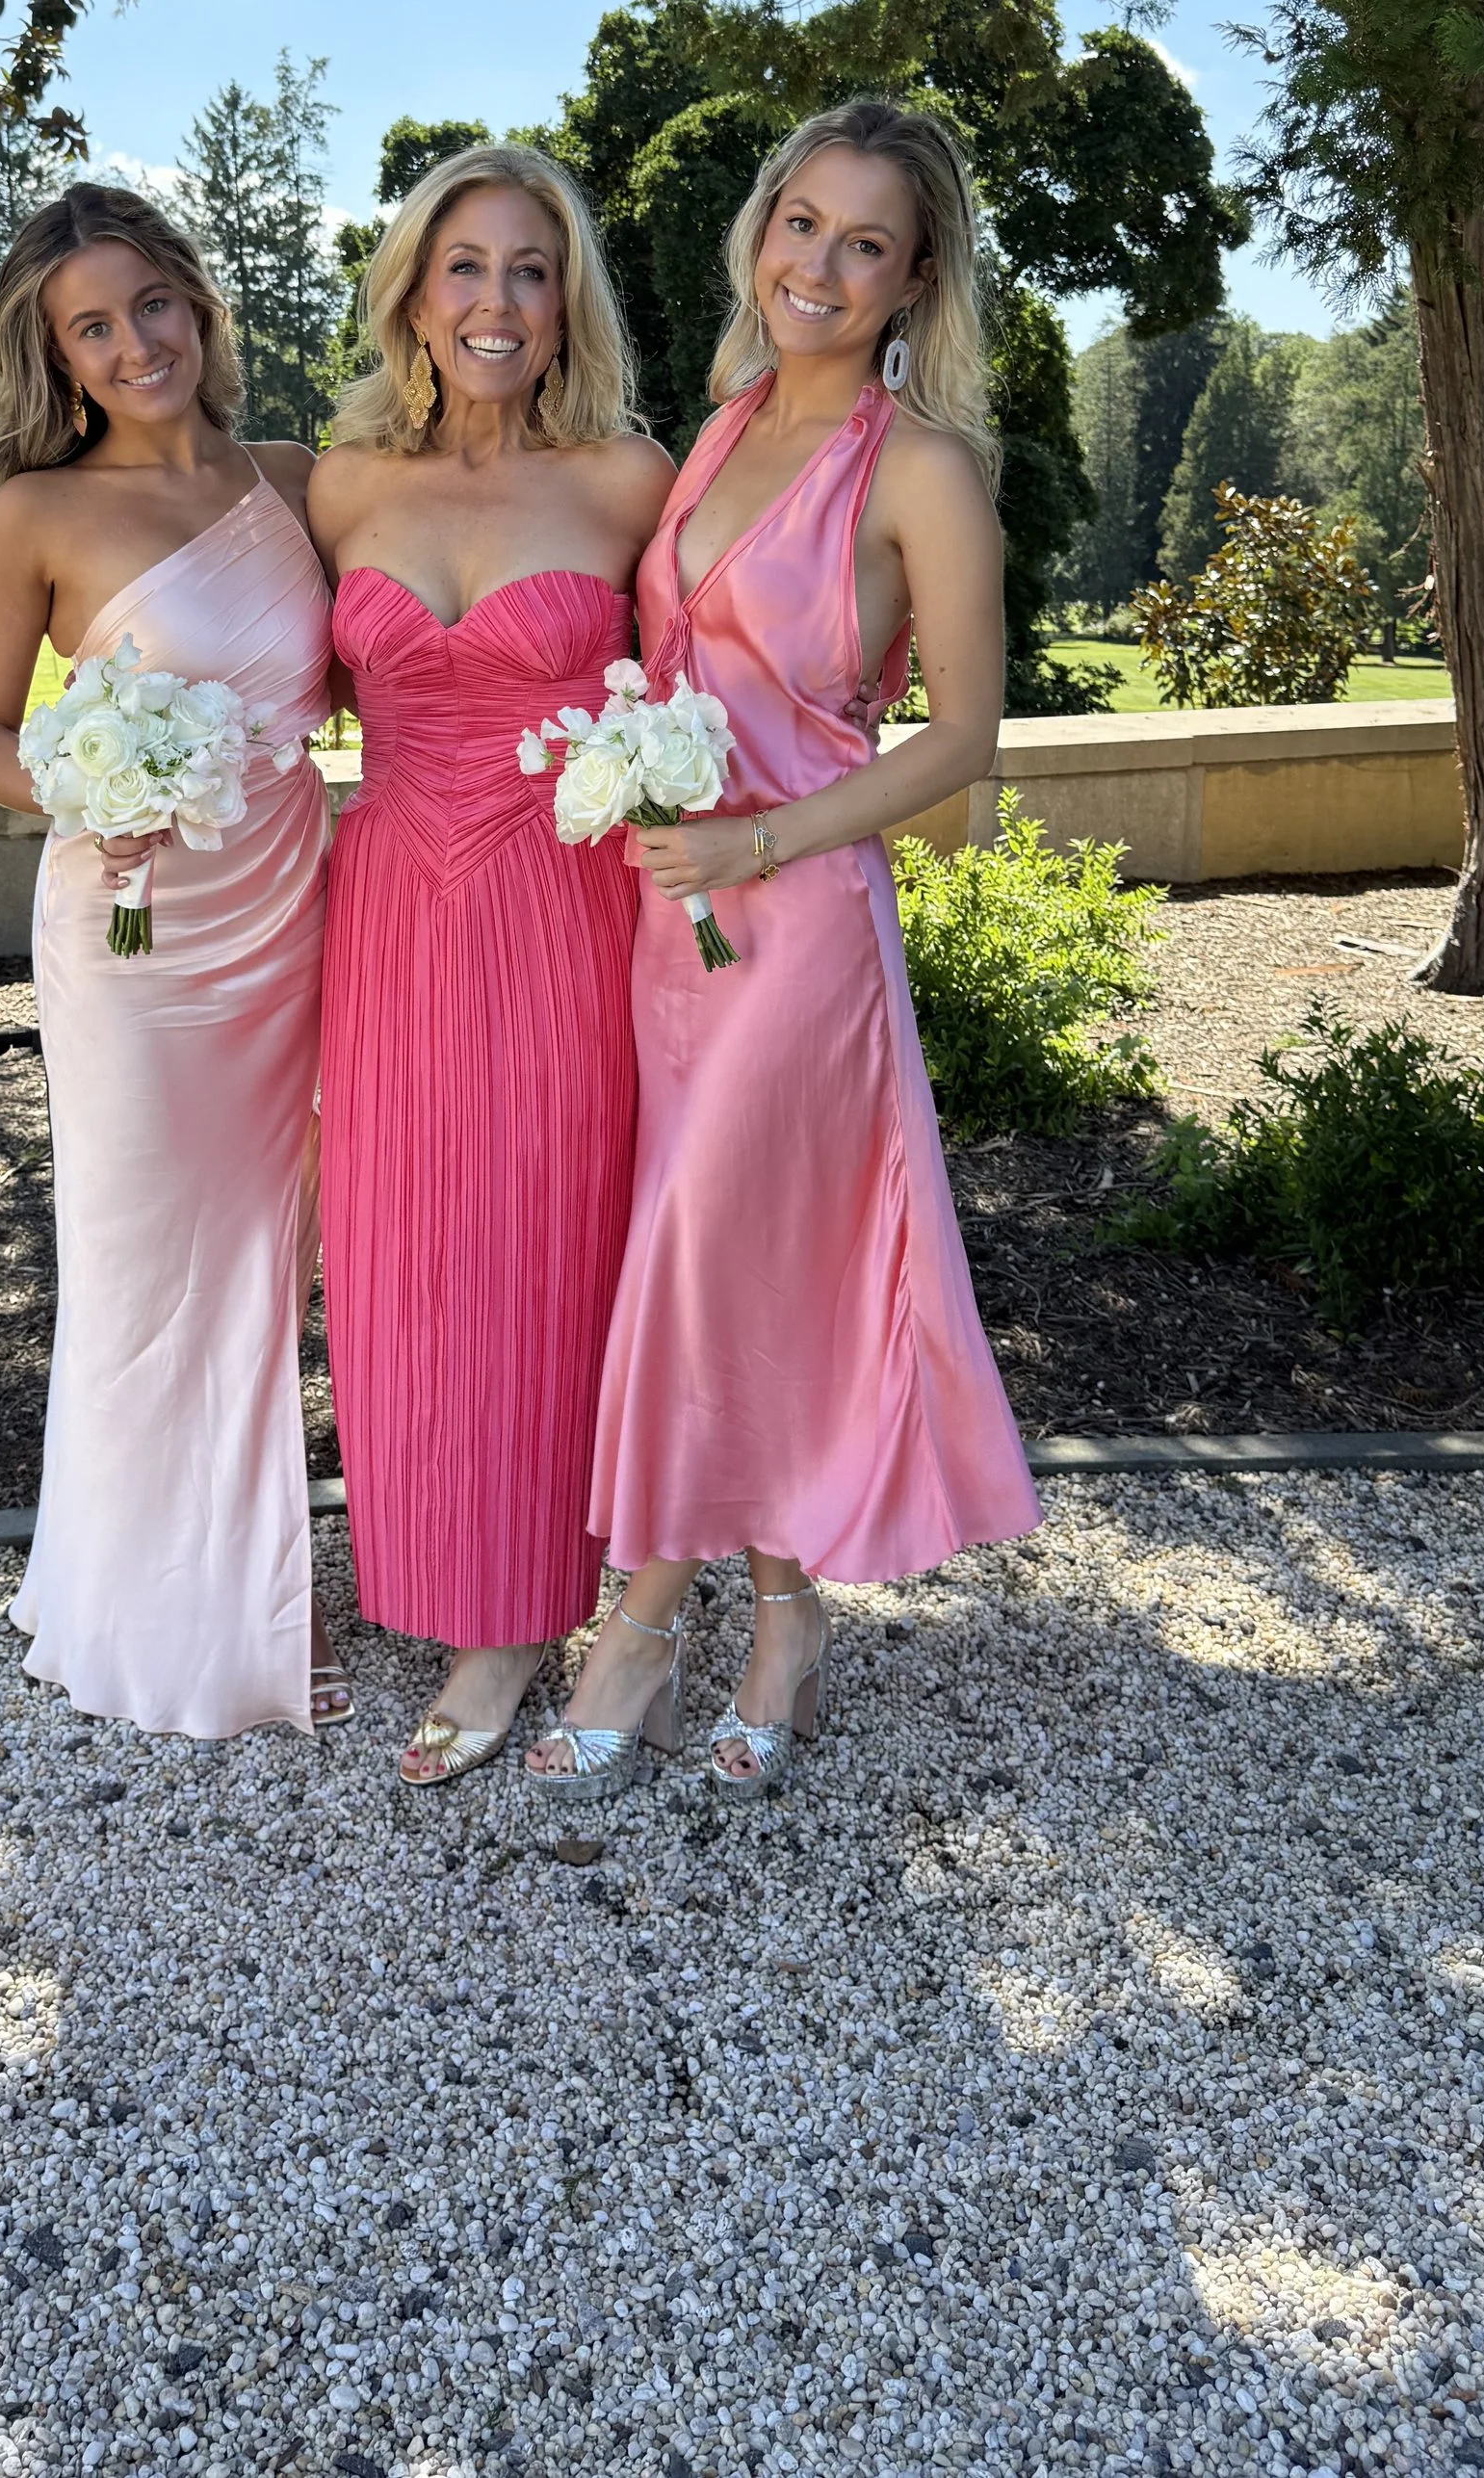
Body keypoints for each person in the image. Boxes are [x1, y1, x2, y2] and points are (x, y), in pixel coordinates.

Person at [526, 98, 1042, 1804]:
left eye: (865, 243)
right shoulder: (722, 423)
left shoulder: (924, 469)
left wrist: (763, 838)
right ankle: (784, 1614)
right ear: (764, 233)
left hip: (800, 921)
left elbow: (963, 736)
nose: (820, 263)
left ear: (913, 281)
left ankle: (645, 1623)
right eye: (801, 224)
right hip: (667, 926)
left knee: (698, 1252)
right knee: (733, 1268)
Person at [0, 183, 346, 1739]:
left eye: (151, 306)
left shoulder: (296, 479)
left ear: (198, 300)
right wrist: (94, 789)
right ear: (58, 354)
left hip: (293, 910)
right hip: (133, 932)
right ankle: (161, 1623)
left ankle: (251, 1582)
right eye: (90, 328)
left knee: (264, 1257)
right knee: (143, 1262)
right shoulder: (37, 513)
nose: (133, 345)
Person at [308, 143, 677, 1787]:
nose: (498, 300)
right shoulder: (340, 485)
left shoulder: (624, 480)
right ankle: (431, 1559)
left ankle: (524, 1607)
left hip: (562, 902)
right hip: (383, 904)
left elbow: (725, 670)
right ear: (413, 288)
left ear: (567, 299)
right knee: (402, 1245)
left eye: (532, 269)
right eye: (466, 265)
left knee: (543, 1240)